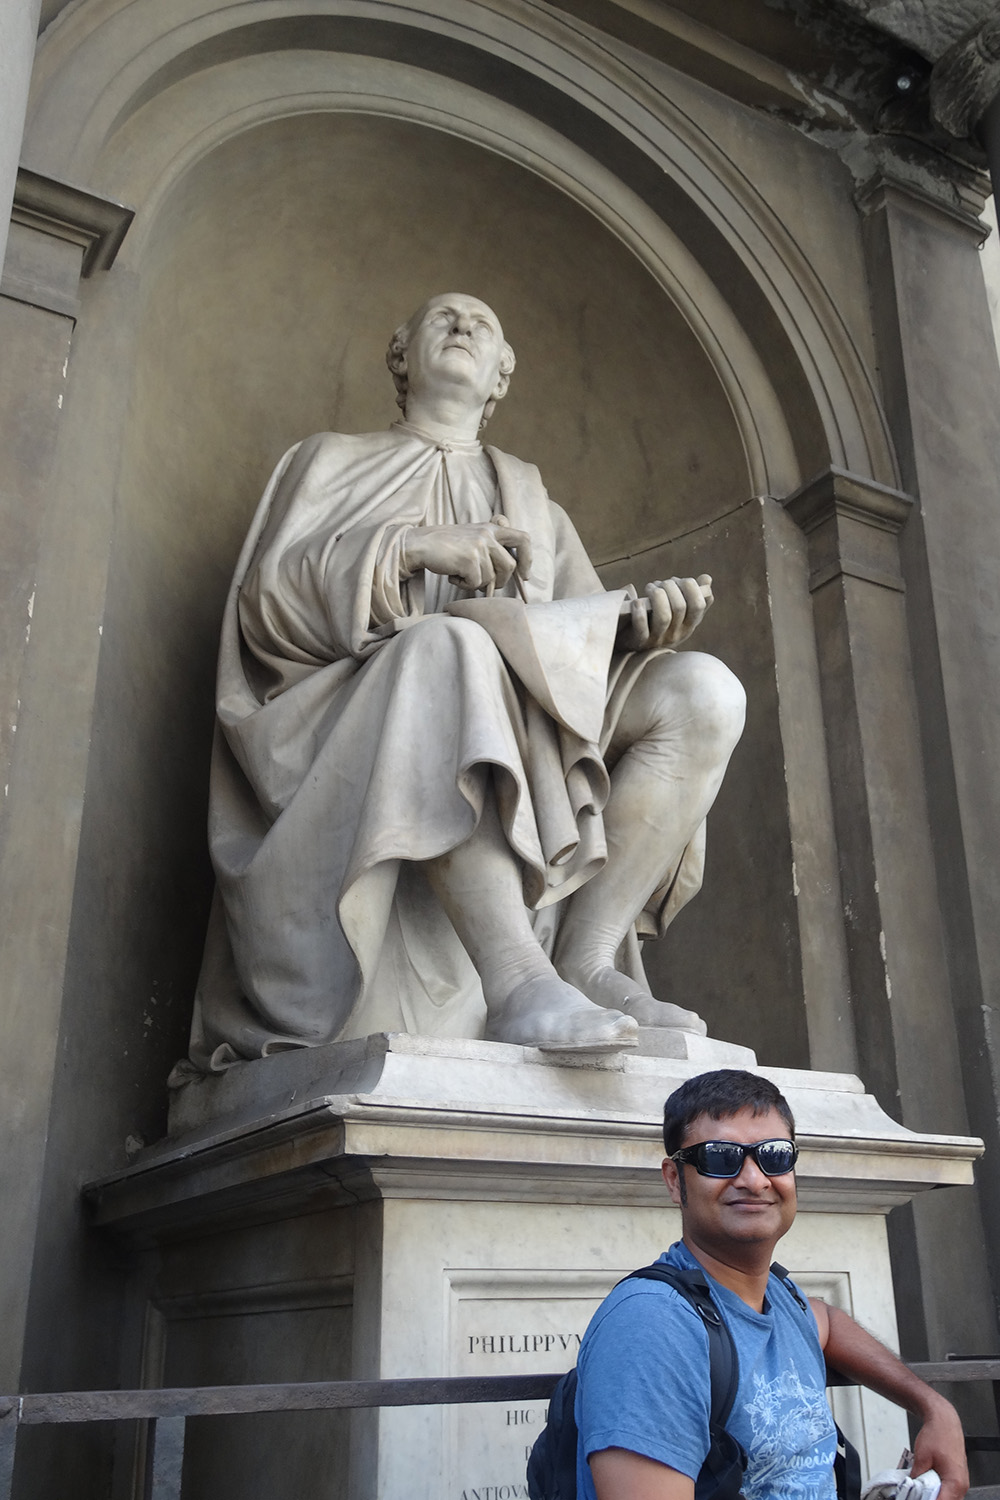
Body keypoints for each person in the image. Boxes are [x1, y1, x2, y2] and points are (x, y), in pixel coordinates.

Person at [179, 294, 747, 1076]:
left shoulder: (534, 504)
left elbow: (577, 659)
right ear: (400, 355)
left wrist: (636, 630)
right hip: (344, 737)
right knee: (449, 645)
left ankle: (585, 960)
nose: (464, 326)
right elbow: (267, 608)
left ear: (501, 378)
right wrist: (409, 549)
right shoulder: (329, 459)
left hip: (520, 724)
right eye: (441, 317)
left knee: (704, 694)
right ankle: (515, 978)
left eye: (484, 323)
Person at [575, 1069, 970, 1500]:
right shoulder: (653, 1325)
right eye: (721, 1157)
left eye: (775, 1155)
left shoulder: (783, 1300)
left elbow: (829, 1322)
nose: (755, 1179)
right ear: (675, 1180)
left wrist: (934, 1408)